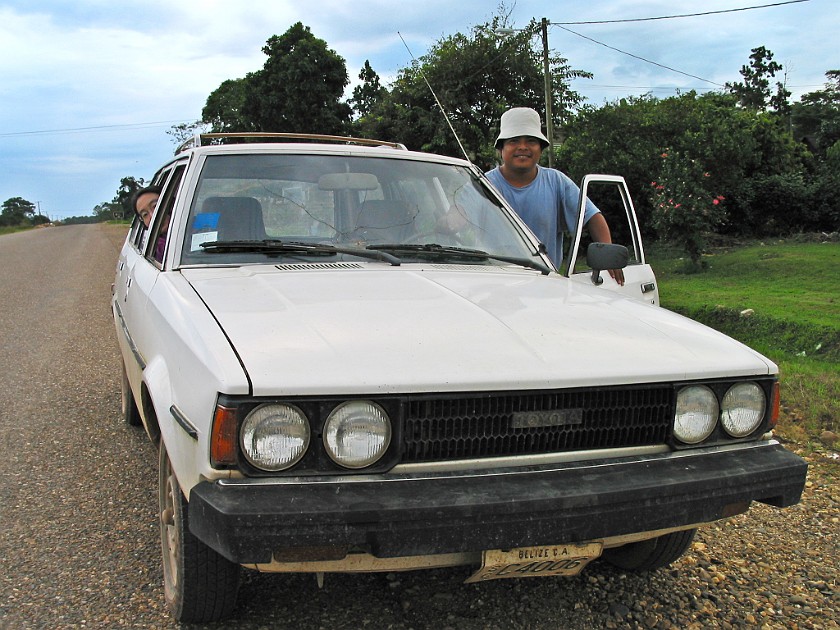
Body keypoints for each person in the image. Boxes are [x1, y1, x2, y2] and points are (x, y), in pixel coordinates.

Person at [485, 107, 624, 285]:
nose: (523, 147)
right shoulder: (483, 184)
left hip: (546, 284)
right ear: (501, 148)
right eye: (513, 141)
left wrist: (608, 253)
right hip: (494, 283)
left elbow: (592, 217)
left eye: (531, 141)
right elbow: (455, 219)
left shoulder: (556, 181)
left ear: (541, 149)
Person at [131, 185, 168, 261]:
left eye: (155, 206)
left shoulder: (198, 222)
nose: (153, 215)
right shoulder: (156, 249)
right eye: (145, 214)